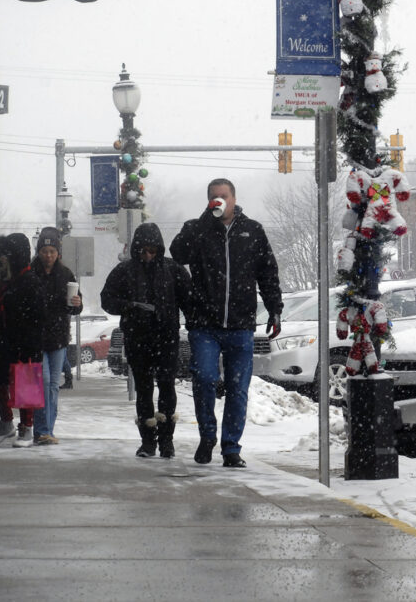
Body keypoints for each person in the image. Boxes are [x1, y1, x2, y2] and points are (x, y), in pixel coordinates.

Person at [169, 178, 283, 468]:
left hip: (241, 324)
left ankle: (231, 447)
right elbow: (178, 253)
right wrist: (205, 220)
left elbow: (268, 273)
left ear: (234, 199)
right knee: (205, 378)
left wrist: (275, 309)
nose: (219, 201)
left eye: (223, 196)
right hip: (204, 325)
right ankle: (208, 435)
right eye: (213, 197)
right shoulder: (196, 229)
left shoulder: (252, 231)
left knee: (237, 389)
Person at [101, 222, 192, 458]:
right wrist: (129, 307)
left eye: (152, 250)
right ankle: (148, 441)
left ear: (159, 249)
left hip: (166, 338)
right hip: (137, 338)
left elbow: (189, 301)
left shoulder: (173, 270)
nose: (148, 255)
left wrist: (194, 324)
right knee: (143, 389)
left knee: (166, 386)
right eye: (143, 251)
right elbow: (107, 299)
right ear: (136, 250)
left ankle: (167, 440)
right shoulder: (125, 270)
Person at [0, 233, 47, 448]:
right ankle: (6, 423)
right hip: (0, 341)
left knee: (25, 383)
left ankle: (26, 429)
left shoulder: (30, 281)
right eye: (0, 255)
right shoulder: (1, 281)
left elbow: (37, 318)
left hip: (22, 342)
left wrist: (29, 343)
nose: (1, 259)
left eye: (6, 255)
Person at [31, 226, 82, 444]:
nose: (48, 255)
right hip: (36, 337)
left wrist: (77, 304)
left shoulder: (66, 274)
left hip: (59, 337)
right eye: (44, 251)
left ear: (58, 252)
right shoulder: (30, 273)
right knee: (43, 381)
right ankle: (42, 430)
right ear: (38, 251)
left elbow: (76, 307)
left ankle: (48, 429)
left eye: (52, 251)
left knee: (53, 384)